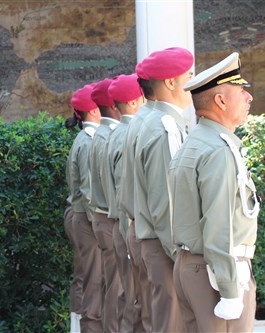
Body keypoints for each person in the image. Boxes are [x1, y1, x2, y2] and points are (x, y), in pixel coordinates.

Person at [168, 52, 259, 332]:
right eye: (241, 91)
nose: (249, 97)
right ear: (220, 101)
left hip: (190, 267)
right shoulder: (218, 150)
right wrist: (230, 290)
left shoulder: (195, 142)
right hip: (216, 275)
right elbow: (220, 226)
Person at [133, 47, 194, 332]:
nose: (192, 84)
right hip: (165, 245)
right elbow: (165, 200)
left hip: (153, 241)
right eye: (189, 76)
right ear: (171, 82)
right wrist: (179, 253)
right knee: (171, 325)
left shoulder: (147, 118)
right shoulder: (163, 126)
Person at [105, 73, 146, 333]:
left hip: (124, 228)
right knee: (135, 306)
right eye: (142, 97)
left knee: (133, 303)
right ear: (132, 103)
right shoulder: (129, 133)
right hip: (129, 228)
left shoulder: (118, 132)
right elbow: (125, 193)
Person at [118, 61, 156, 333]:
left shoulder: (129, 129)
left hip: (132, 227)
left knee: (137, 305)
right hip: (142, 230)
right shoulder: (152, 127)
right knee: (152, 313)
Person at [65, 84, 103, 333]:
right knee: (93, 281)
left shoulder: (86, 138)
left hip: (79, 217)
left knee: (85, 277)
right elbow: (90, 193)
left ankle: (78, 327)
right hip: (86, 219)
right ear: (94, 110)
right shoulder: (90, 142)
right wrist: (100, 227)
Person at [88, 78, 123, 333]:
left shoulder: (100, 134)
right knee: (118, 288)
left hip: (103, 217)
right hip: (111, 220)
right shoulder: (109, 135)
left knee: (115, 286)